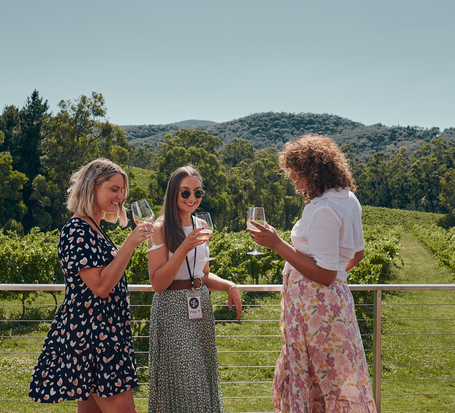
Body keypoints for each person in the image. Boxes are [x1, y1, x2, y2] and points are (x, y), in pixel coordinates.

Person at [247, 135, 377, 413]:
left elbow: (326, 274)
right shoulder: (348, 199)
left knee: (320, 379)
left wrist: (277, 244)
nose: (292, 177)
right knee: (339, 378)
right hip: (334, 304)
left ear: (315, 170)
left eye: (297, 172)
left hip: (316, 312)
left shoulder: (323, 209)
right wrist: (335, 279)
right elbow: (356, 255)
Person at [29, 158, 152, 413]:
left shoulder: (94, 229)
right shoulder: (77, 229)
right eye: (113, 189)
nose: (120, 197)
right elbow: (100, 287)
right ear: (91, 187)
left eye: (122, 191)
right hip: (94, 337)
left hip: (101, 334)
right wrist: (130, 244)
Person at [147, 166, 242, 413]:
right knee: (188, 382)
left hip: (200, 305)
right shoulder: (160, 228)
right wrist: (184, 247)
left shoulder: (200, 224)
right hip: (171, 309)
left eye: (198, 193)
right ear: (173, 194)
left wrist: (230, 285)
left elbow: (204, 275)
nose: (192, 199)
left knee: (201, 377)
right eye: (185, 193)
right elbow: (157, 284)